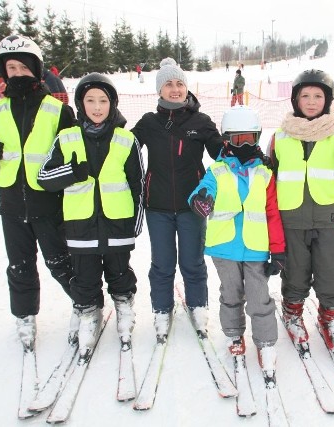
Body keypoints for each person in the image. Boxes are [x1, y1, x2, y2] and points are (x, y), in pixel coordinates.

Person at [0, 35, 77, 351]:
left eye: (23, 66)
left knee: (60, 261)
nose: (17, 73)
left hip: (48, 202)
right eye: (11, 67)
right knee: (19, 265)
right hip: (12, 204)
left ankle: (85, 304)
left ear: (35, 69)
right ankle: (24, 316)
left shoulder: (57, 110)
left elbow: (73, 155)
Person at [38, 73, 144, 358]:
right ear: (80, 103)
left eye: (103, 101)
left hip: (117, 223)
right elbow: (44, 177)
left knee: (119, 272)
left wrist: (135, 223)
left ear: (113, 104)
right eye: (90, 100)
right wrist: (72, 172)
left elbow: (138, 184)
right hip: (80, 226)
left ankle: (123, 305)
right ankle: (88, 312)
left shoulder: (126, 139)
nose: (97, 107)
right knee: (84, 277)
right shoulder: (66, 137)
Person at [266, 69, 334, 358]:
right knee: (295, 271)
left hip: (327, 218)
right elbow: (269, 174)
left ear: (328, 100)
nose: (311, 101)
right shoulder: (281, 136)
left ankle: (329, 316)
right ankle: (293, 312)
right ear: (295, 99)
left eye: (318, 96)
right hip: (291, 218)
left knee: (331, 271)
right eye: (305, 96)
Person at [131, 57, 223, 338]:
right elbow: (124, 149)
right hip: (157, 206)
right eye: (168, 84)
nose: (175, 89)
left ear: (187, 88)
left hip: (191, 207)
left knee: (193, 261)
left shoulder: (201, 121)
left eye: (179, 84)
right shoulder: (148, 122)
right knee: (162, 263)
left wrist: (243, 150)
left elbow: (221, 155)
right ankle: (161, 310)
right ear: (159, 90)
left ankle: (198, 307)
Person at [189, 105, 285, 373]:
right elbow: (203, 189)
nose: (243, 145)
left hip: (256, 249)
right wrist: (201, 199)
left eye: (249, 139)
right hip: (225, 248)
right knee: (230, 293)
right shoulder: (218, 170)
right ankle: (233, 333)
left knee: (259, 297)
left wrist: (278, 252)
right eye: (236, 139)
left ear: (257, 137)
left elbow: (273, 214)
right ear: (226, 140)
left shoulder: (265, 174)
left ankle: (266, 342)